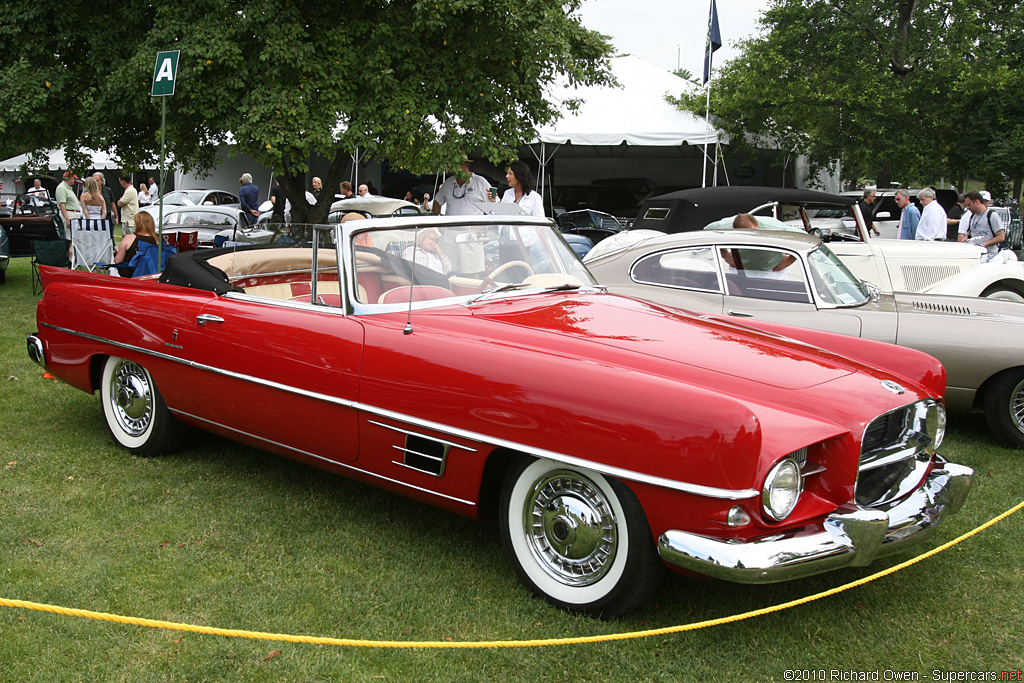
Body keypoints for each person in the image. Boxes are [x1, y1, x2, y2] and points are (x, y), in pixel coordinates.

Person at [959, 190, 1005, 263]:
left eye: (969, 204)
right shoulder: (972, 216)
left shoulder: (992, 216)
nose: (967, 207)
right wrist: (967, 239)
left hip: (990, 258)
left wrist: (983, 244)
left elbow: (1001, 236)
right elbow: (972, 234)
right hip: (976, 257)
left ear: (977, 202)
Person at [112, 210, 159, 277]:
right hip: (149, 274)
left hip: (129, 274)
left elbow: (118, 261)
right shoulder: (157, 241)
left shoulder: (129, 238)